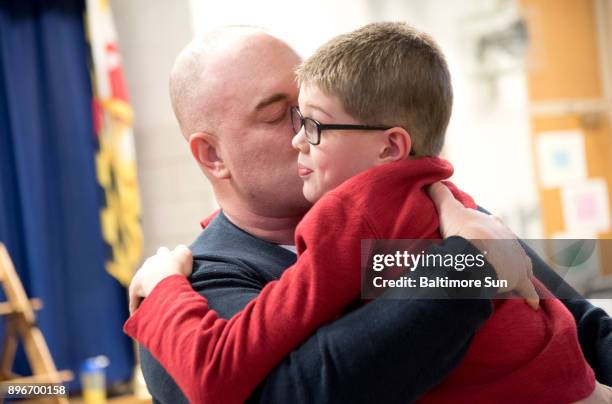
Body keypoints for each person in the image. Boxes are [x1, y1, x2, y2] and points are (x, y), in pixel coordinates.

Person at [124, 23, 606, 403]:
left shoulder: (437, 206)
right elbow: (304, 392)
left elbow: (584, 328)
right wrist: (470, 266)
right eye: (279, 114)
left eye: (313, 107)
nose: (305, 131)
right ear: (212, 156)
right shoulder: (194, 290)